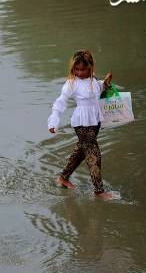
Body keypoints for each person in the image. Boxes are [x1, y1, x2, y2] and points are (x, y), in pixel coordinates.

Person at [47, 50, 113, 199]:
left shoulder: (93, 80)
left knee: (81, 152)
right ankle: (99, 190)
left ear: (90, 67)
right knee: (93, 154)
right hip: (82, 123)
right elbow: (60, 102)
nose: (79, 72)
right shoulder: (71, 83)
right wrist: (54, 120)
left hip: (95, 121)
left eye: (82, 69)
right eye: (76, 69)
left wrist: (105, 84)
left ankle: (63, 178)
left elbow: (97, 89)